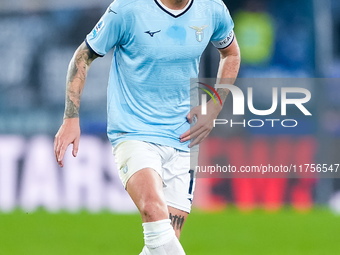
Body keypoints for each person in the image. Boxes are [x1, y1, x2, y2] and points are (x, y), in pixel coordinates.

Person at [54, 0, 240, 254]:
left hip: (183, 138)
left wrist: (214, 107)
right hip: (134, 133)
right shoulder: (127, 9)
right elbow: (83, 55)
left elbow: (231, 53)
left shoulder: (212, 9)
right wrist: (71, 118)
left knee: (161, 244)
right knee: (153, 210)